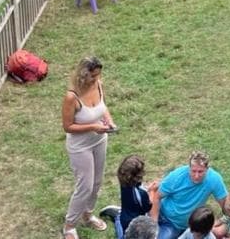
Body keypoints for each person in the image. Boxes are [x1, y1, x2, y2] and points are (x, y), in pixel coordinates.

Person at [62, 56, 116, 239]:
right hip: (80, 147)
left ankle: (88, 215)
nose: (96, 79)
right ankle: (69, 225)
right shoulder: (72, 97)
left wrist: (109, 120)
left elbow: (102, 107)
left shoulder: (98, 84)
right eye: (93, 76)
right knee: (85, 186)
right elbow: (67, 126)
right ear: (83, 75)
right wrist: (93, 126)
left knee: (97, 182)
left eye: (98, 75)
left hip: (99, 140)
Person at [156, 151, 229, 239]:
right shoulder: (176, 176)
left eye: (200, 172)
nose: (196, 176)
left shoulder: (214, 179)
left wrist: (225, 224)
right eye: (193, 171)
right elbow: (156, 196)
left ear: (207, 169)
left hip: (193, 225)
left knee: (218, 232)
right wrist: (154, 223)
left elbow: (226, 205)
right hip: (169, 220)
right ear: (189, 168)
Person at [116, 155, 159, 238]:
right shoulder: (142, 194)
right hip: (136, 222)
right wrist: (152, 191)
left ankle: (118, 218)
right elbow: (147, 207)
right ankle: (116, 218)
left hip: (124, 217)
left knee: (126, 234)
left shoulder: (124, 182)